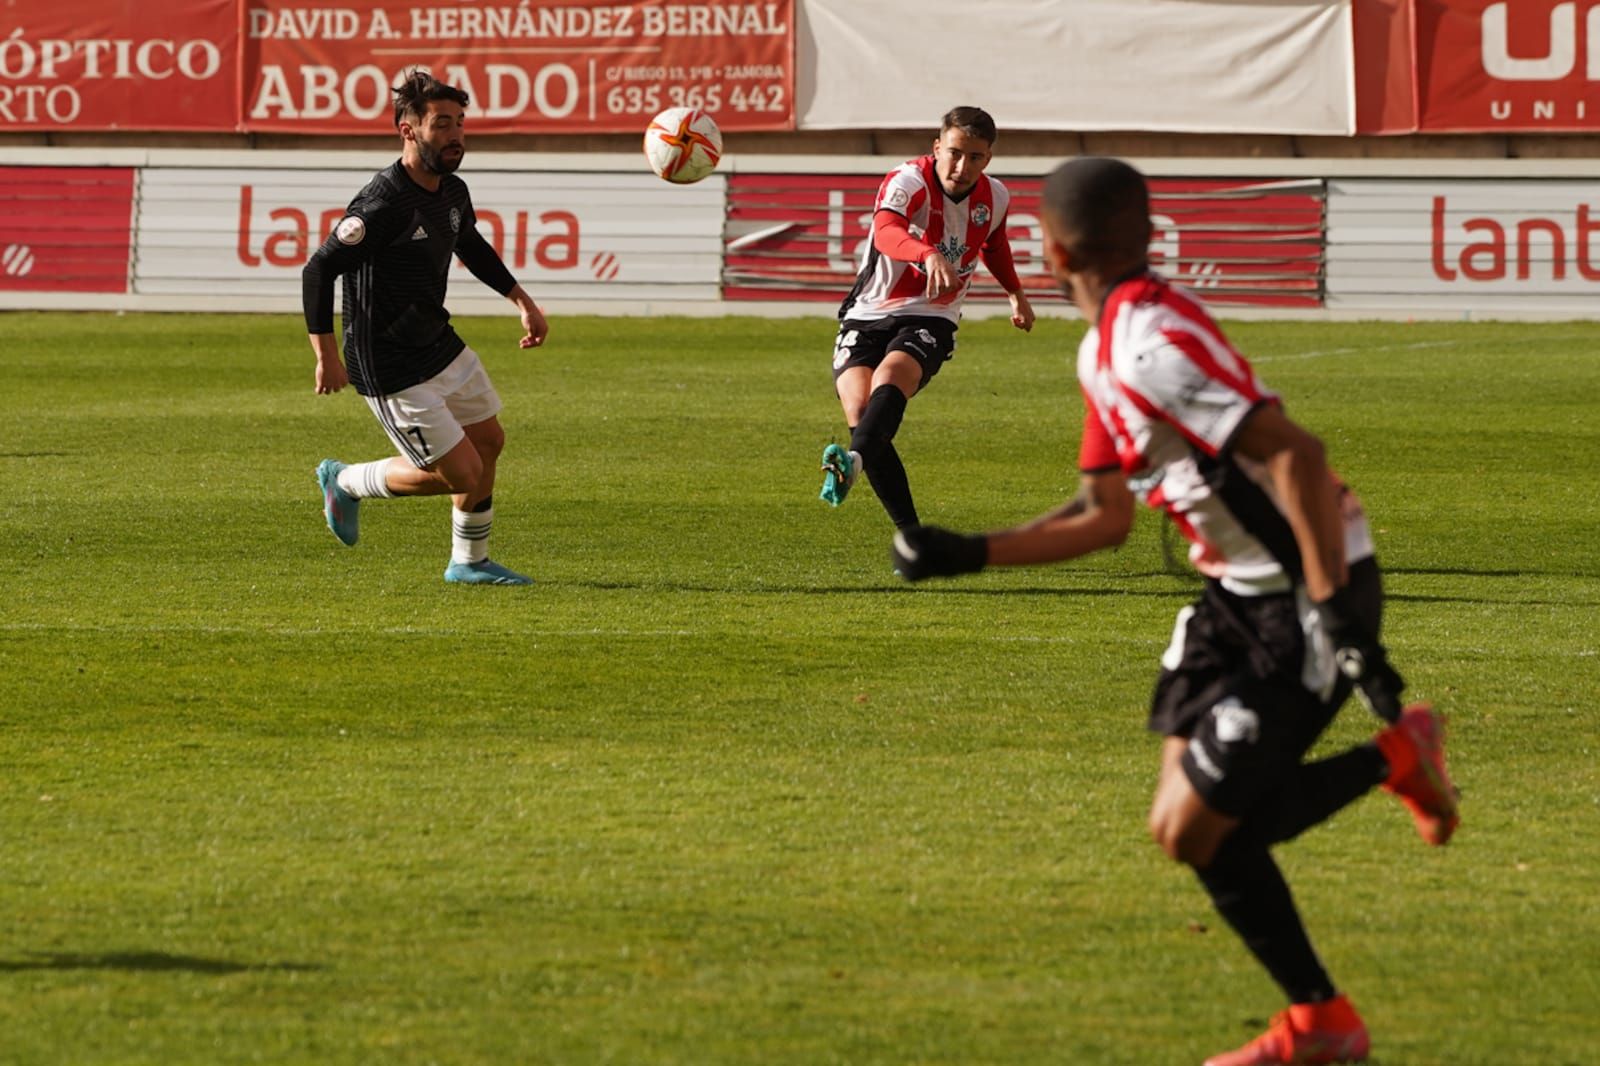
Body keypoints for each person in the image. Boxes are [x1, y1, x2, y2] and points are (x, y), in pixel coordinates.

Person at [891, 157, 1458, 1065]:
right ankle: (1395, 764)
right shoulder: (1103, 345)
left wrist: (1336, 616)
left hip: (1310, 589)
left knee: (1204, 826)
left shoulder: (1149, 345)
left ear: (1050, 246)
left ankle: (1324, 1021)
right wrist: (967, 551)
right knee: (1186, 827)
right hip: (1233, 593)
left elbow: (1298, 460)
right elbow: (1104, 517)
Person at [302, 69, 548, 585]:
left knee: (488, 442)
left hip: (437, 341)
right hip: (387, 360)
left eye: (460, 123)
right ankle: (345, 481)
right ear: (407, 129)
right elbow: (319, 269)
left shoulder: (452, 191)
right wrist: (326, 354)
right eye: (441, 124)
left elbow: (470, 245)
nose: (456, 135)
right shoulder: (383, 204)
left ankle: (470, 562)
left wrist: (519, 298)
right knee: (462, 472)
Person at [818, 106, 1035, 529]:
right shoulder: (908, 181)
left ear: (987, 158)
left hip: (932, 312)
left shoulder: (996, 196)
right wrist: (927, 252)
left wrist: (1016, 294)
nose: (962, 166)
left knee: (890, 378)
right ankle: (912, 536)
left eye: (975, 157)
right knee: (861, 413)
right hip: (868, 310)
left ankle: (856, 466)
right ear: (937, 148)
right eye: (954, 153)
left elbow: (994, 245)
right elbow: (885, 230)